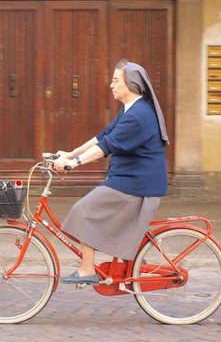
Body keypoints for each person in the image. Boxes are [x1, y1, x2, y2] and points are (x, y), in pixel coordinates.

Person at [53, 59, 169, 284]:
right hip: (129, 180)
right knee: (92, 210)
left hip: (137, 185)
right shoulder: (132, 109)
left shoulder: (139, 116)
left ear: (131, 85)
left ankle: (87, 270)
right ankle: (131, 258)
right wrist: (70, 153)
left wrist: (73, 163)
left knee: (84, 210)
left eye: (116, 80)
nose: (111, 85)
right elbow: (103, 136)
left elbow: (106, 146)